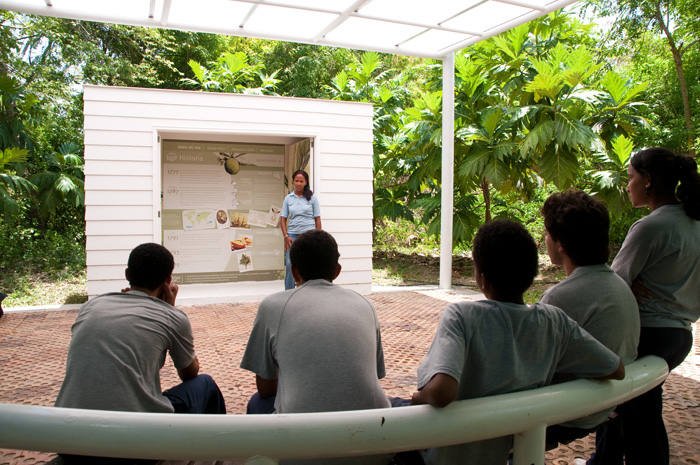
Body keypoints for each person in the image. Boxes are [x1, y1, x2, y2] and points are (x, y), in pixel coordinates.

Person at [410, 219, 624, 465]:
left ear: (482, 278)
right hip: (508, 450)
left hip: (442, 454)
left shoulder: (461, 316)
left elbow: (442, 392)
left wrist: (419, 398)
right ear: (532, 274)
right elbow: (615, 368)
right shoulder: (554, 322)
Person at [579, 148, 700, 465]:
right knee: (627, 410)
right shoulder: (693, 223)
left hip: (647, 334)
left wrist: (628, 287)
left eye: (630, 178)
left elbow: (612, 284)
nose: (627, 186)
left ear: (647, 180)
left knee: (639, 421)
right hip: (679, 336)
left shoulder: (651, 227)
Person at [55, 243, 226, 461]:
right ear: (168, 281)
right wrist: (169, 310)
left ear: (127, 274)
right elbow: (189, 373)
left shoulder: (91, 307)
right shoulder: (172, 317)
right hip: (136, 443)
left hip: (67, 437)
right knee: (206, 384)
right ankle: (219, 454)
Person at [241, 229, 391, 465]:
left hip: (301, 450)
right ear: (337, 271)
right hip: (375, 444)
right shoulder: (366, 305)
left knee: (256, 403)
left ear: (294, 271)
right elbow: (375, 375)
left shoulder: (273, 306)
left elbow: (266, 389)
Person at [540, 189, 640, 449]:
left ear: (560, 243)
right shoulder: (619, 285)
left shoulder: (560, 298)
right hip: (602, 406)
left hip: (569, 414)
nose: (545, 239)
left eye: (548, 233)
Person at [280, 169, 322, 290]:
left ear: (305, 182)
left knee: (309, 264)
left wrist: (318, 238)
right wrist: (285, 236)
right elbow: (282, 219)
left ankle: (309, 290)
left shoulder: (312, 198)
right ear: (293, 182)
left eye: (301, 181)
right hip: (292, 236)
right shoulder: (288, 198)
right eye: (296, 181)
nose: (298, 183)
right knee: (289, 264)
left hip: (309, 236)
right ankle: (288, 293)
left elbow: (317, 219)